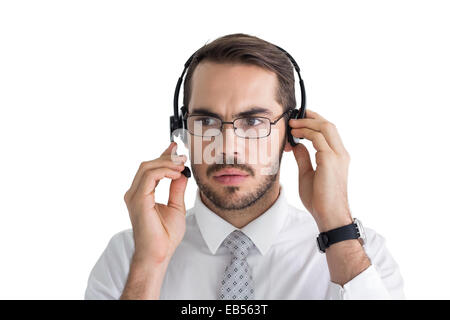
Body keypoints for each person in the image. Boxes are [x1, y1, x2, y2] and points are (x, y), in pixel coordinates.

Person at [84, 33, 405, 300]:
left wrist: (338, 228)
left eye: (253, 120)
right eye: (206, 121)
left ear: (292, 130)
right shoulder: (128, 256)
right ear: (181, 129)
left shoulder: (365, 257)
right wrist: (149, 266)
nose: (227, 147)